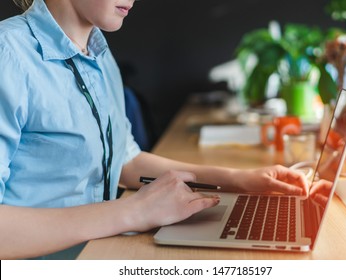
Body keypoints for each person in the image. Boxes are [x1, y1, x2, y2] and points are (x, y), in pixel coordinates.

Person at [0, 0, 308, 259]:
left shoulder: (99, 55)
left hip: (98, 250)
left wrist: (236, 180)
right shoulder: (8, 53)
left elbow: (124, 160)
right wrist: (132, 212)